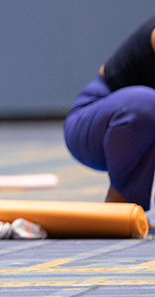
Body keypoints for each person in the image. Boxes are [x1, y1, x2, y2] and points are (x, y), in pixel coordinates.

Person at [64, 15, 155, 210]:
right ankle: (118, 202)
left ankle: (128, 206)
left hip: (133, 131)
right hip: (88, 125)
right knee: (148, 102)